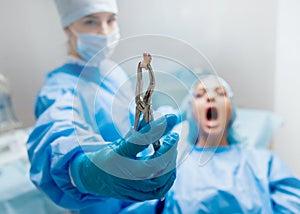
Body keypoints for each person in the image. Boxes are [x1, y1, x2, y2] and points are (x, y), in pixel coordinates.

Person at [26, 0, 179, 213]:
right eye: (91, 21)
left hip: (144, 200)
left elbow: (127, 114)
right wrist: (86, 170)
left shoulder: (111, 71)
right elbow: (55, 136)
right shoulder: (59, 88)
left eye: (111, 20)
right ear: (67, 27)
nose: (104, 31)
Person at [120, 74, 300, 213]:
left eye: (220, 93)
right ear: (190, 110)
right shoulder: (172, 164)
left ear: (231, 109)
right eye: (200, 94)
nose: (210, 98)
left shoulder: (264, 163)